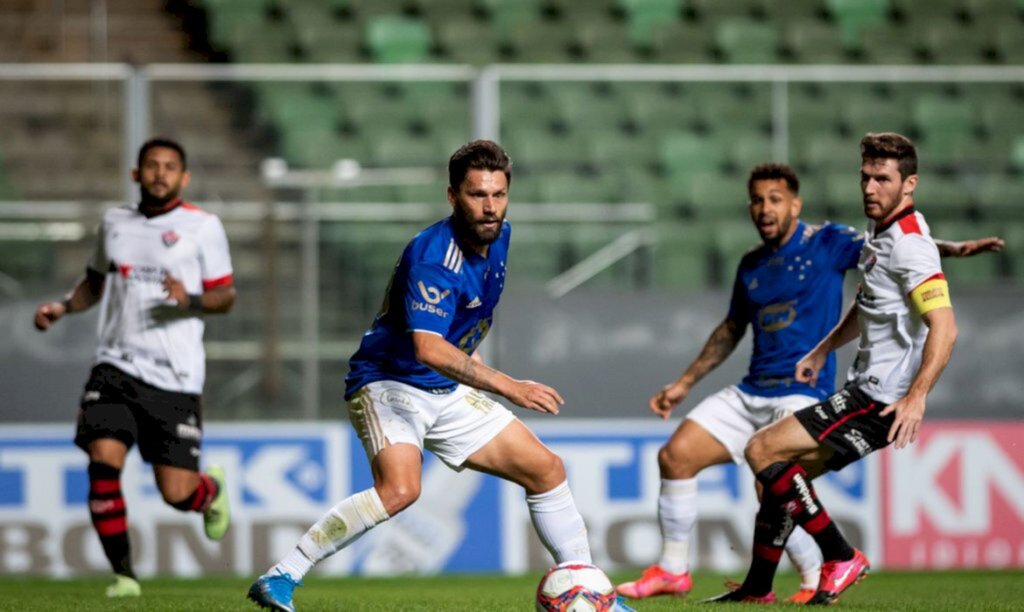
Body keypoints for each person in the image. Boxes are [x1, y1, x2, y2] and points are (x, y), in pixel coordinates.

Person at [247, 140, 634, 612]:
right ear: (452, 197)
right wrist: (508, 385)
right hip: (388, 383)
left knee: (546, 469)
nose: (490, 207)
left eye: (498, 194)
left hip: (443, 389)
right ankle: (283, 573)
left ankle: (588, 593)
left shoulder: (500, 235)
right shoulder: (433, 257)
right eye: (477, 195)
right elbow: (427, 348)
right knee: (401, 490)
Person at [617, 163, 1002, 604]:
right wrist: (684, 383)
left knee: (771, 478)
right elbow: (730, 330)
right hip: (752, 390)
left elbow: (901, 248)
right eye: (758, 200)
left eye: (775, 199)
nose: (765, 209)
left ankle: (813, 573)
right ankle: (674, 571)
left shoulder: (829, 241)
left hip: (802, 390)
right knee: (676, 455)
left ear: (795, 204)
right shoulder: (751, 265)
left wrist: (954, 248)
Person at [705, 132, 958, 605]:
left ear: (909, 184)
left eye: (883, 179)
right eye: (865, 177)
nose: (869, 188)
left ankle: (839, 556)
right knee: (783, 480)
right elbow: (870, 305)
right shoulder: (880, 235)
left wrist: (917, 396)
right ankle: (759, 588)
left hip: (882, 397)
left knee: (761, 450)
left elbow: (944, 328)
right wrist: (822, 350)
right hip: (869, 388)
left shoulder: (910, 246)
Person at [33, 138, 235, 597]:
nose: (160, 173)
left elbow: (226, 296)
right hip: (115, 365)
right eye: (151, 166)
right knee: (103, 460)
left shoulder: (203, 227)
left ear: (184, 178)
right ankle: (124, 575)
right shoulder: (115, 223)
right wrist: (63, 307)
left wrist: (193, 300)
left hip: (175, 376)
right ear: (136, 174)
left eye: (169, 167)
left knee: (176, 493)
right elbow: (94, 282)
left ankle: (208, 493)